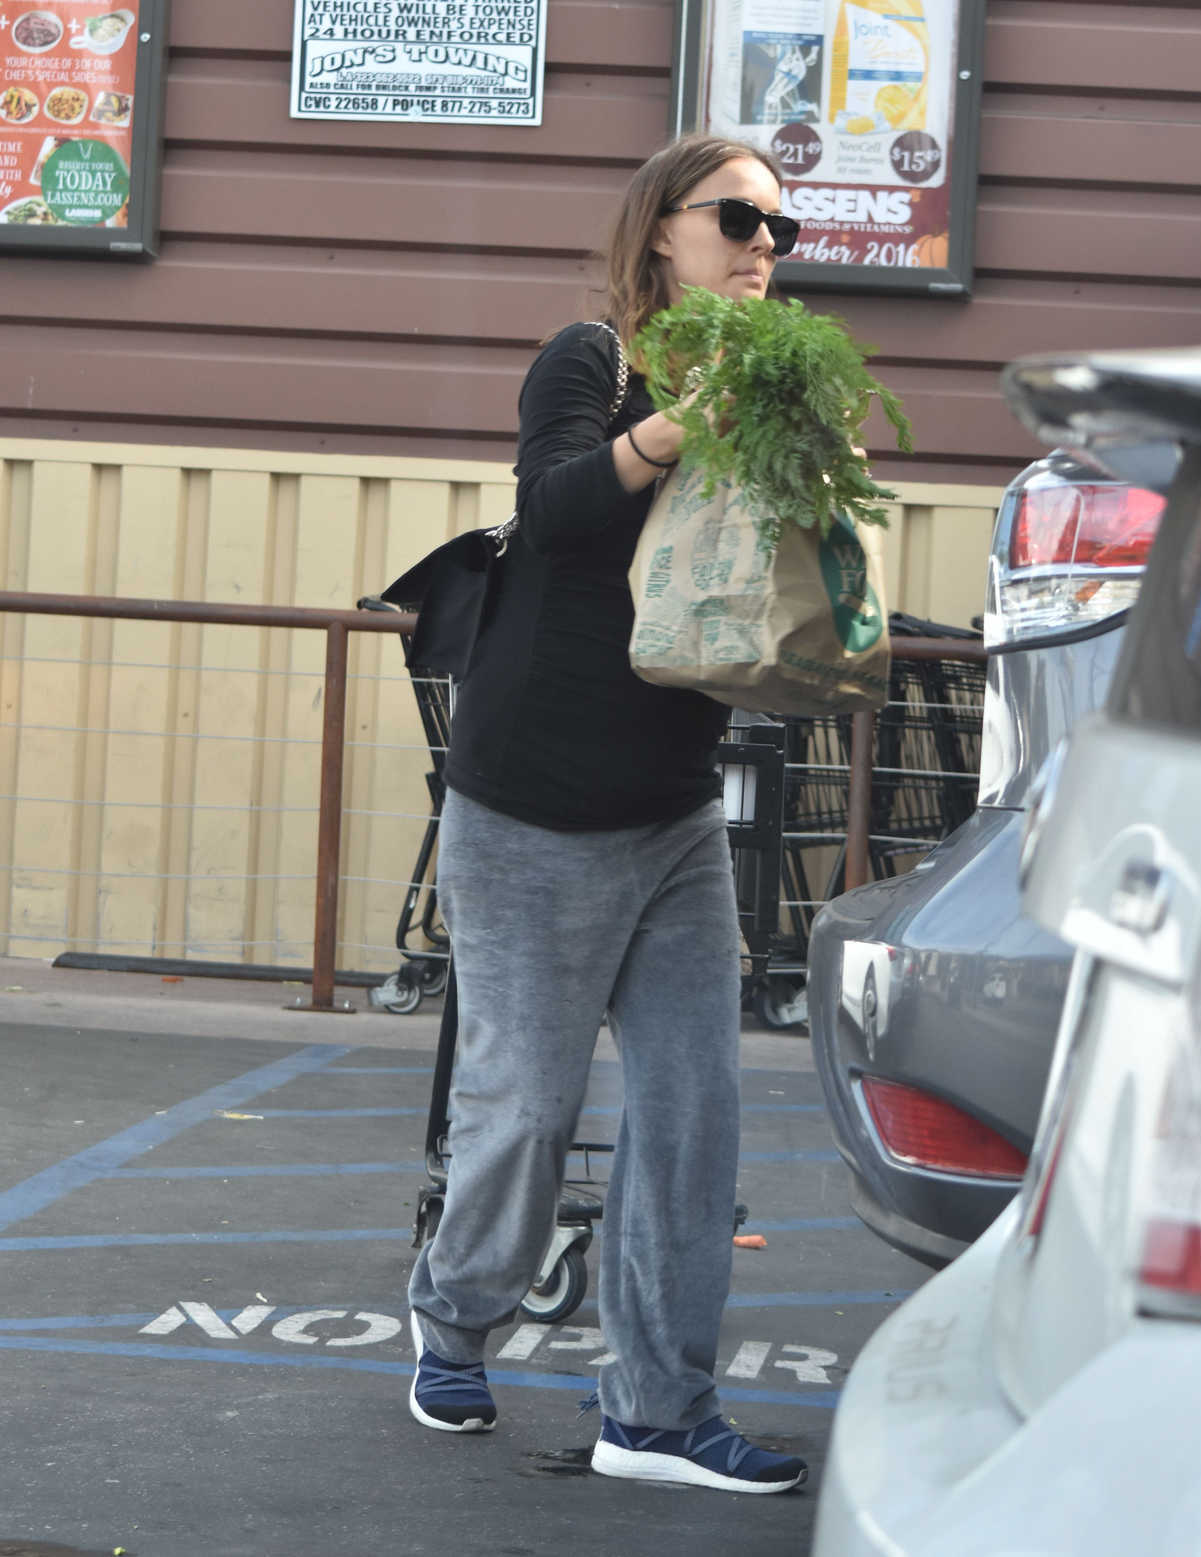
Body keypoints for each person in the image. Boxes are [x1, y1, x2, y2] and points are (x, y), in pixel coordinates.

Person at [406, 132, 808, 1494]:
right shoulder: (592, 356)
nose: (764, 244)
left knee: (694, 1111)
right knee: (523, 1101)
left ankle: (653, 1410)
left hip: (672, 806)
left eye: (780, 229)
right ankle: (454, 1307)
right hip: (528, 802)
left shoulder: (770, 384)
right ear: (660, 234)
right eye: (739, 217)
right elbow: (556, 506)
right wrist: (674, 421)